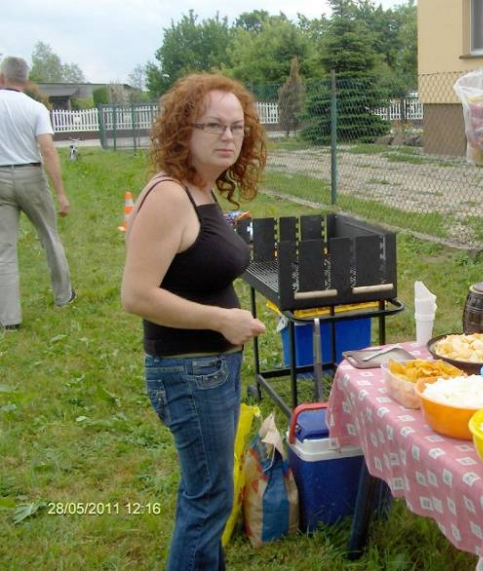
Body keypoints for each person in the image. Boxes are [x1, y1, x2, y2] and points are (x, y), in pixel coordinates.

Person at [121, 73, 267, 570]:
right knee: (207, 502)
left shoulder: (200, 189)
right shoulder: (168, 195)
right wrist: (221, 320)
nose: (229, 137)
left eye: (238, 127)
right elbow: (136, 295)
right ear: (184, 130)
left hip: (209, 369)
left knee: (208, 491)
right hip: (189, 372)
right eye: (214, 126)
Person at [0, 56, 75, 330]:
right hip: (30, 175)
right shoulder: (35, 109)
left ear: (2, 77)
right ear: (26, 80)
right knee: (49, 236)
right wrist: (61, 193)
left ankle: (9, 317)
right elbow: (47, 149)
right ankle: (63, 295)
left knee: (4, 248)